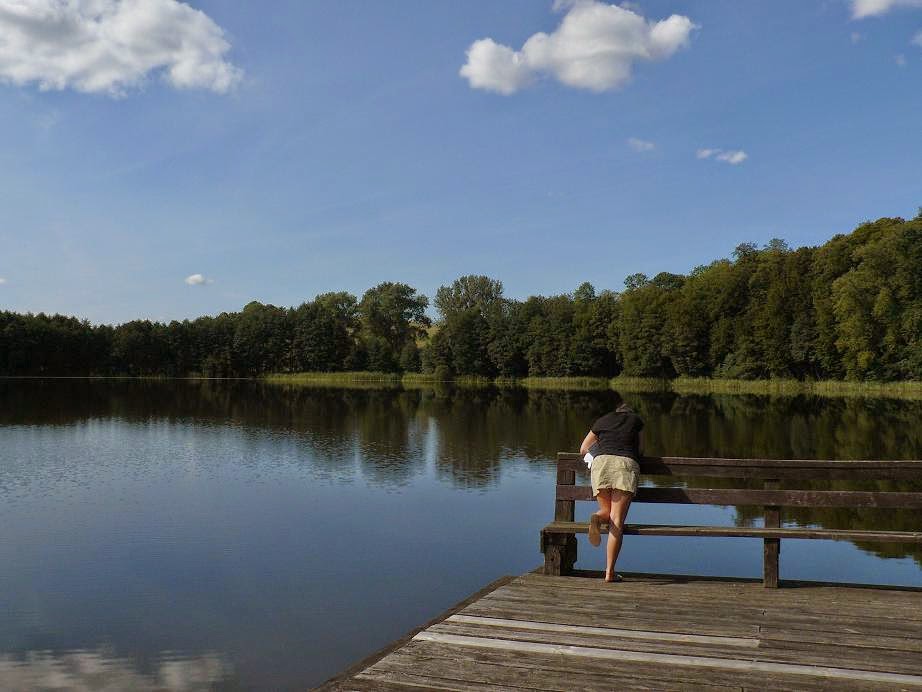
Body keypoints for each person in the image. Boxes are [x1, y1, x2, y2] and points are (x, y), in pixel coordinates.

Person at [578, 393, 643, 583]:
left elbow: (583, 448)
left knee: (606, 512)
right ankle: (609, 573)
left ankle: (597, 517)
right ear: (630, 413)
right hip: (625, 465)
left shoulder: (602, 420)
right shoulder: (636, 421)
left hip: (601, 464)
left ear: (616, 412)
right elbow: (641, 450)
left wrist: (600, 450)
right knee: (617, 521)